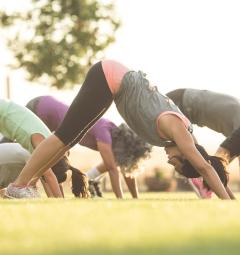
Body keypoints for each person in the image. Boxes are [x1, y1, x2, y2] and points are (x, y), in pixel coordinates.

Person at [5, 60, 230, 199]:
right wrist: (228, 203)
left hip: (111, 82)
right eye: (178, 163)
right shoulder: (180, 131)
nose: (171, 163)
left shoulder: (181, 135)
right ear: (186, 154)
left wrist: (226, 191)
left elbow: (204, 163)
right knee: (66, 135)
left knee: (70, 139)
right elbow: (205, 167)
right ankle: (19, 185)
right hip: (108, 77)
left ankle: (26, 184)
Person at [25, 96, 152, 198]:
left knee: (51, 160)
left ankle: (48, 196)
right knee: (43, 159)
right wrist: (121, 200)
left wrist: (136, 198)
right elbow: (112, 169)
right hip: (40, 108)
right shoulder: (105, 133)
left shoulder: (111, 131)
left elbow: (124, 169)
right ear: (126, 148)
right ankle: (26, 189)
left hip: (44, 108)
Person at [0, 98, 87, 198]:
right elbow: (49, 176)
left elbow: (47, 177)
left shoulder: (49, 141)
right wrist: (61, 203)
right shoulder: (43, 144)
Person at [166, 88, 240, 198]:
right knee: (198, 158)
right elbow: (218, 163)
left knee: (204, 160)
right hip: (179, 102)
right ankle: (200, 182)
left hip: (184, 104)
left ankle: (204, 184)